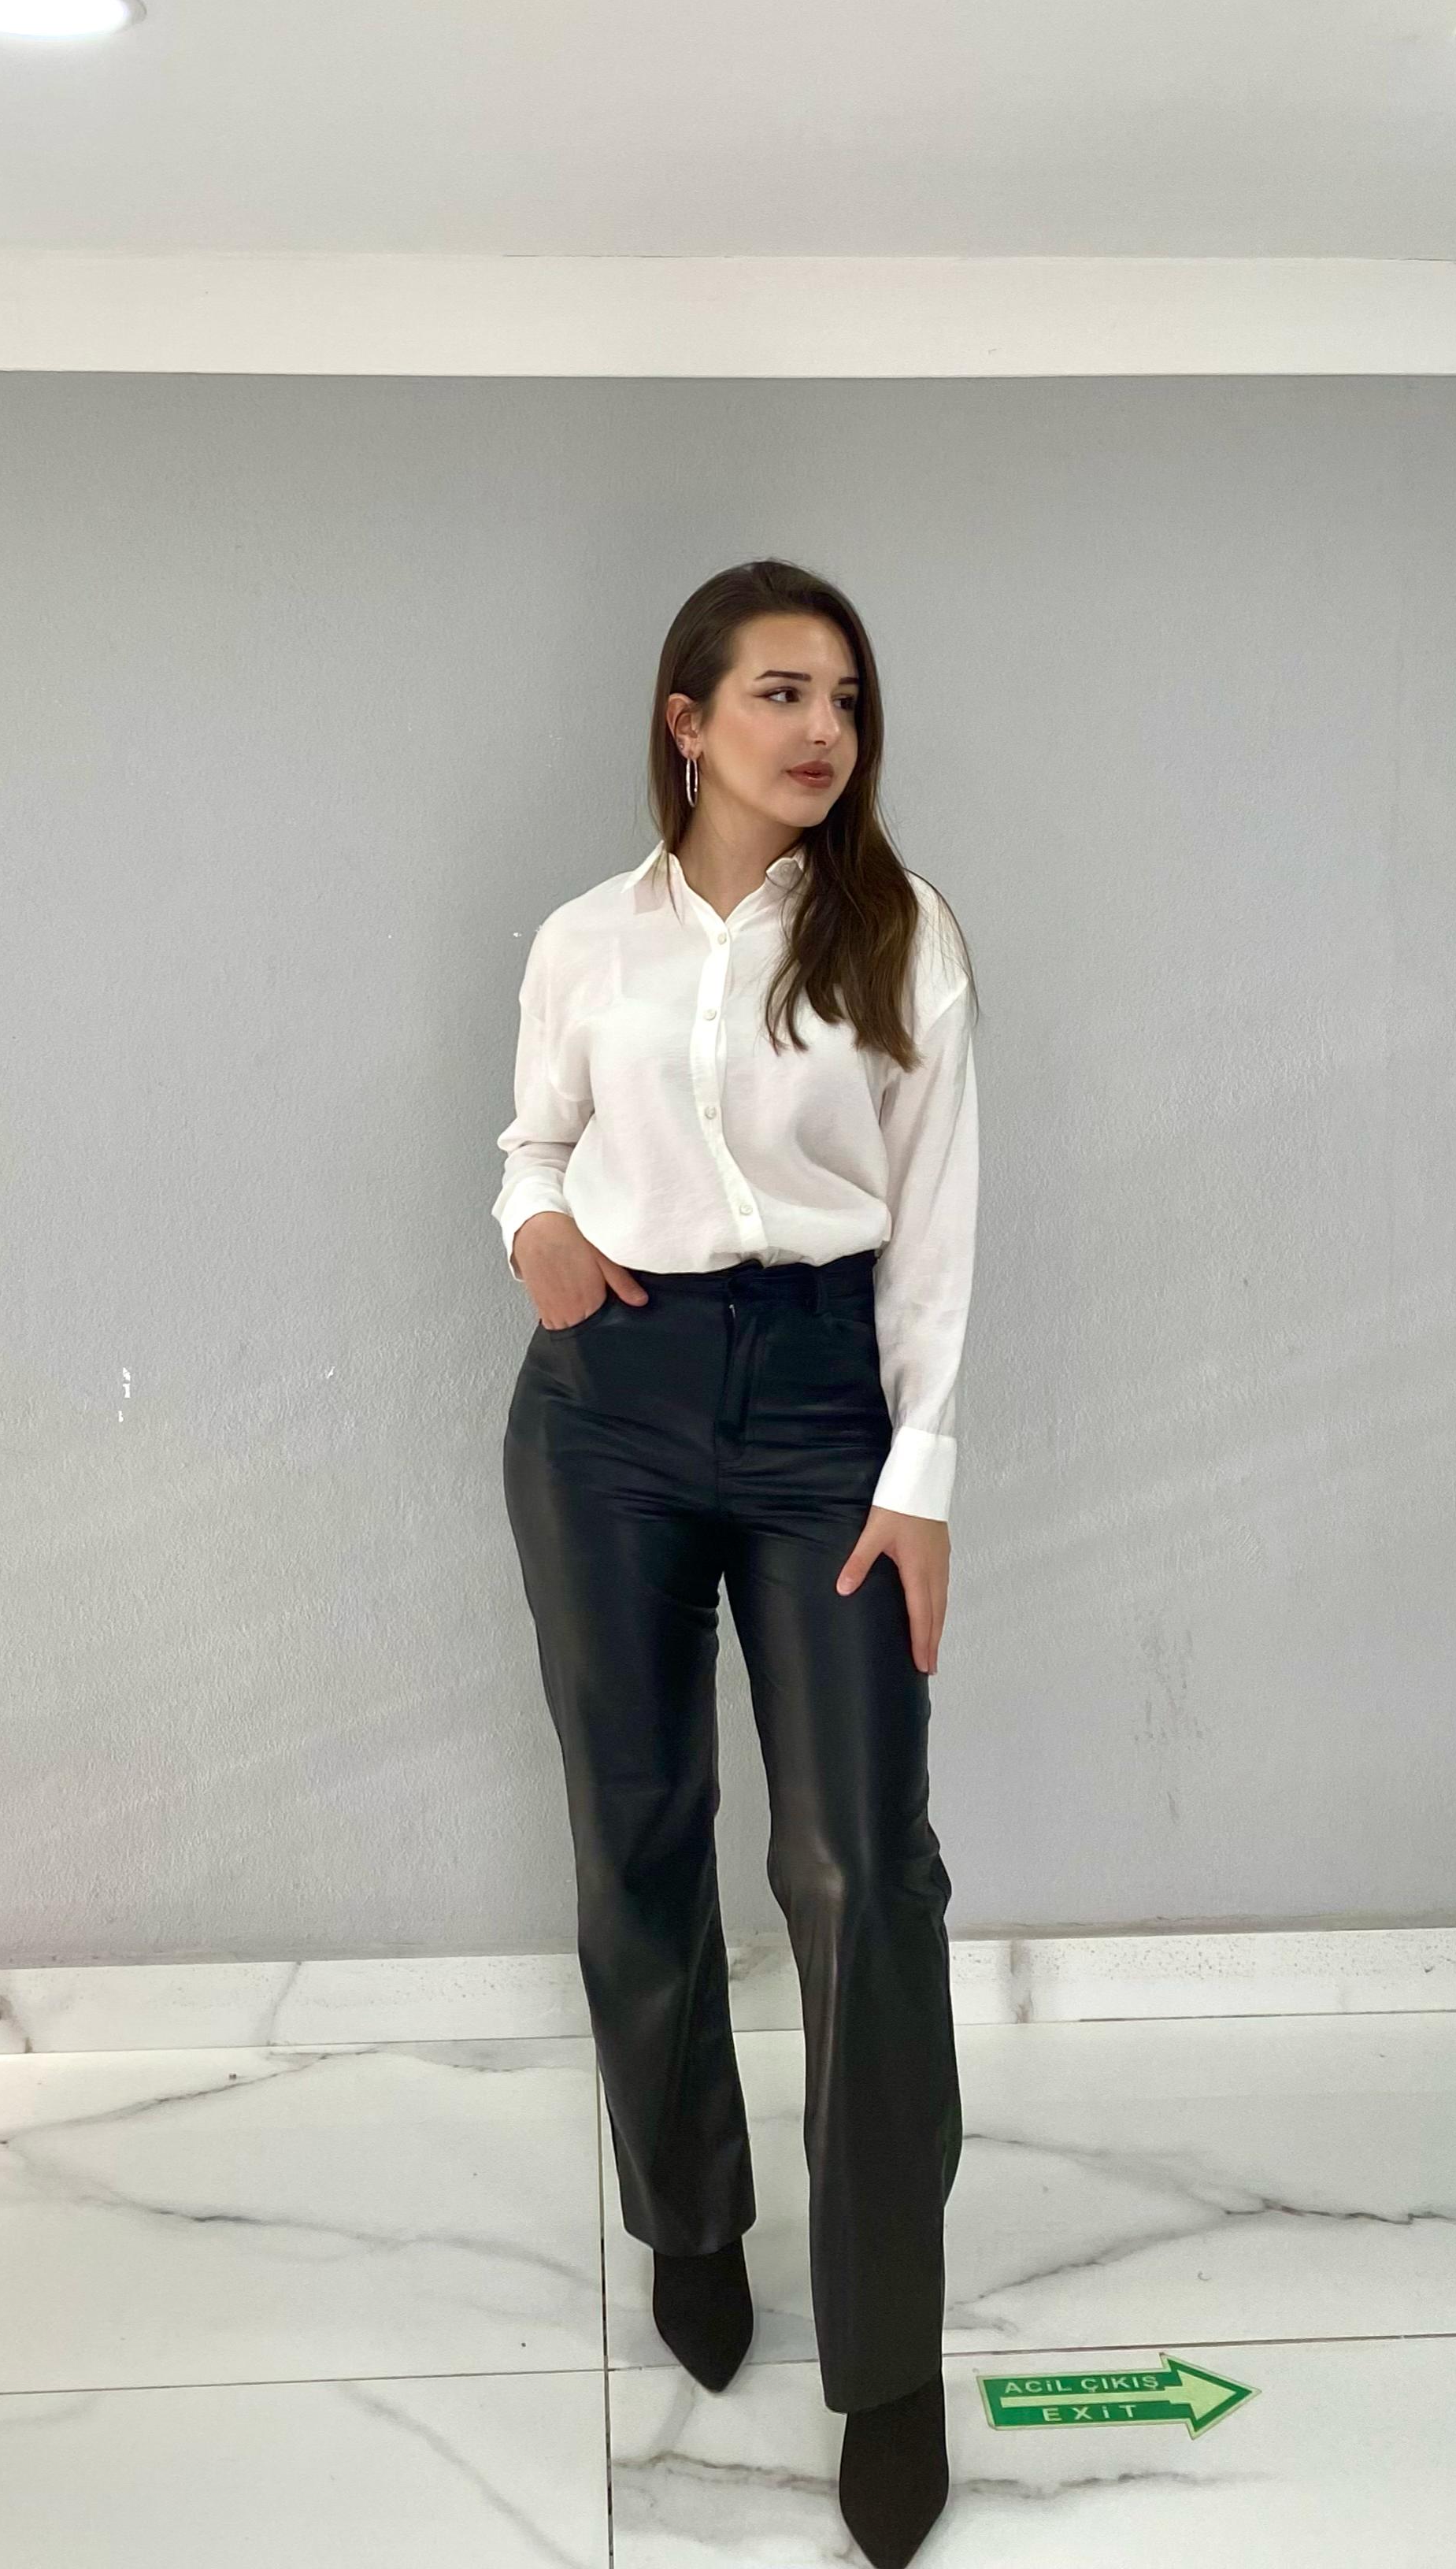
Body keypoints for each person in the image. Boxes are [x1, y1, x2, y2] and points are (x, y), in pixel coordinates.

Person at [494, 556, 981, 2569]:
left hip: (817, 1411)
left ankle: (886, 2356)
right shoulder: (582, 941)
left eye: (844, 700)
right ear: (684, 721)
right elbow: (534, 1142)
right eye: (781, 693)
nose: (821, 732)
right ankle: (690, 2219)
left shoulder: (897, 935)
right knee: (634, 1835)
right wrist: (529, 1228)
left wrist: (917, 1474)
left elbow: (935, 1220)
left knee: (858, 1870)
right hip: (603, 1411)